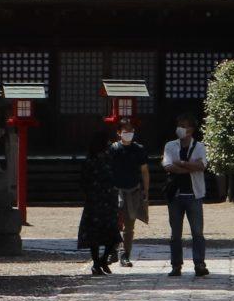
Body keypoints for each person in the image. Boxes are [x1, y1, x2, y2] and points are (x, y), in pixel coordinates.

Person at [161, 110, 210, 277]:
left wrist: (181, 163)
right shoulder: (170, 146)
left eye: (183, 126)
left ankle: (200, 264)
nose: (180, 129)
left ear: (191, 129)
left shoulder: (200, 146)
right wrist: (189, 167)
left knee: (197, 232)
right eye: (179, 126)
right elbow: (168, 166)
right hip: (175, 195)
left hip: (194, 195)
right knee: (175, 234)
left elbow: (202, 166)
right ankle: (176, 265)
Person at [76, 136, 122, 274]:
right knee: (94, 236)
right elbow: (83, 181)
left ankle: (102, 259)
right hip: (95, 201)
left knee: (113, 234)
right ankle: (96, 262)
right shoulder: (90, 162)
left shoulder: (110, 160)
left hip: (108, 200)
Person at [109, 122, 151, 266]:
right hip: (115, 190)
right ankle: (113, 251)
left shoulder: (139, 149)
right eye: (125, 131)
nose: (129, 133)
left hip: (133, 189)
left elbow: (144, 171)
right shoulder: (113, 149)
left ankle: (126, 254)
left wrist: (146, 190)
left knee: (129, 224)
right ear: (119, 132)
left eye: (131, 131)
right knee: (113, 223)